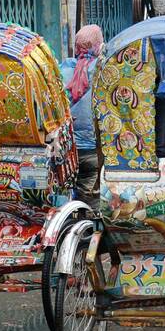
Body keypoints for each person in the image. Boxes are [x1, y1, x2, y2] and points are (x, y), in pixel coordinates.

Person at [59, 24, 104, 204]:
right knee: (91, 203)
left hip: (66, 150)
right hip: (93, 150)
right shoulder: (103, 70)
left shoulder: (63, 69)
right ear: (99, 46)